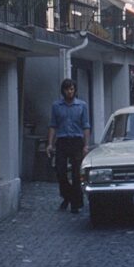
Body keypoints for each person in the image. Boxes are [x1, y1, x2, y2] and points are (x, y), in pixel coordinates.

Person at [46, 79, 91, 213]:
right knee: (60, 172)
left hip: (77, 141)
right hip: (62, 141)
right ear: (63, 91)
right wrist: (50, 144)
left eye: (71, 89)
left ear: (75, 90)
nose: (69, 92)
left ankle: (76, 204)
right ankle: (68, 196)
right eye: (67, 89)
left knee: (77, 173)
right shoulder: (56, 106)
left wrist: (86, 145)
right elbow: (53, 125)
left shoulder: (82, 105)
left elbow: (86, 126)